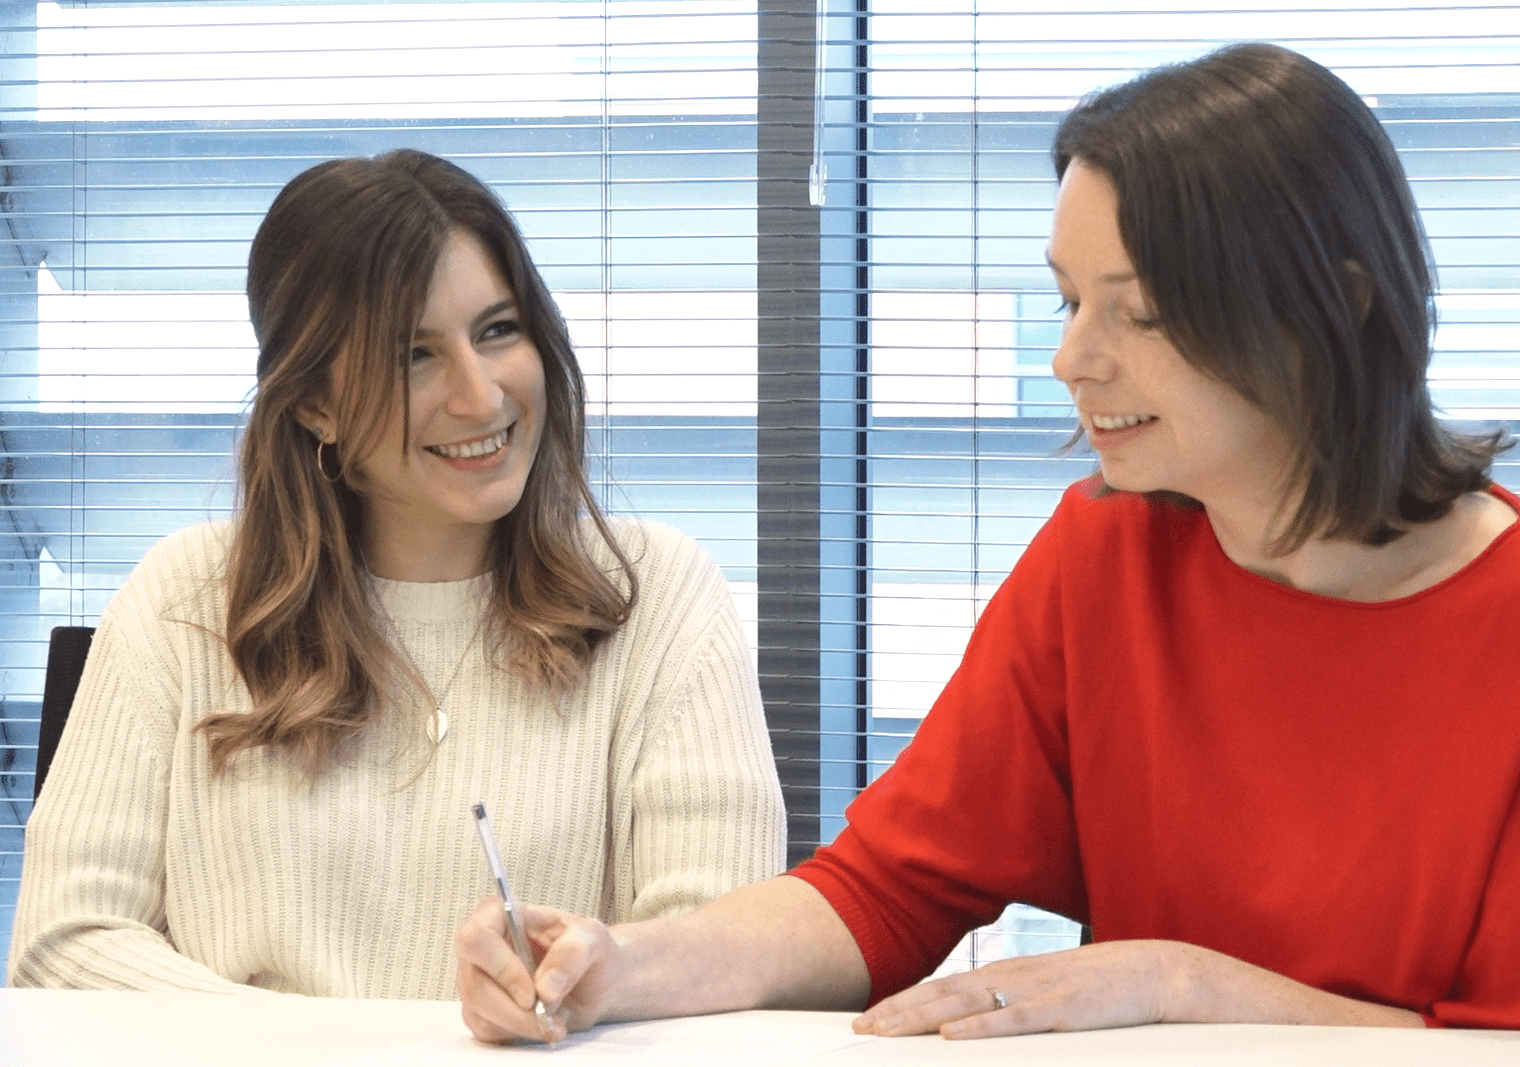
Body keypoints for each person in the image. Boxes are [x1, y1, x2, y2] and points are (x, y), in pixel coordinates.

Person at [454, 42, 1520, 1041]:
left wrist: (1178, 984)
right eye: (1068, 300)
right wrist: (618, 963)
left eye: (1140, 312)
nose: (1070, 358)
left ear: (1331, 309)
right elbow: (882, 889)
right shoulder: (1100, 557)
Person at [8, 149, 786, 996]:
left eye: (498, 330)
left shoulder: (658, 597)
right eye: (415, 354)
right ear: (316, 404)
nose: (481, 397)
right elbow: (63, 942)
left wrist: (576, 1000)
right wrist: (325, 1049)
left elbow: (716, 956)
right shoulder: (182, 599)